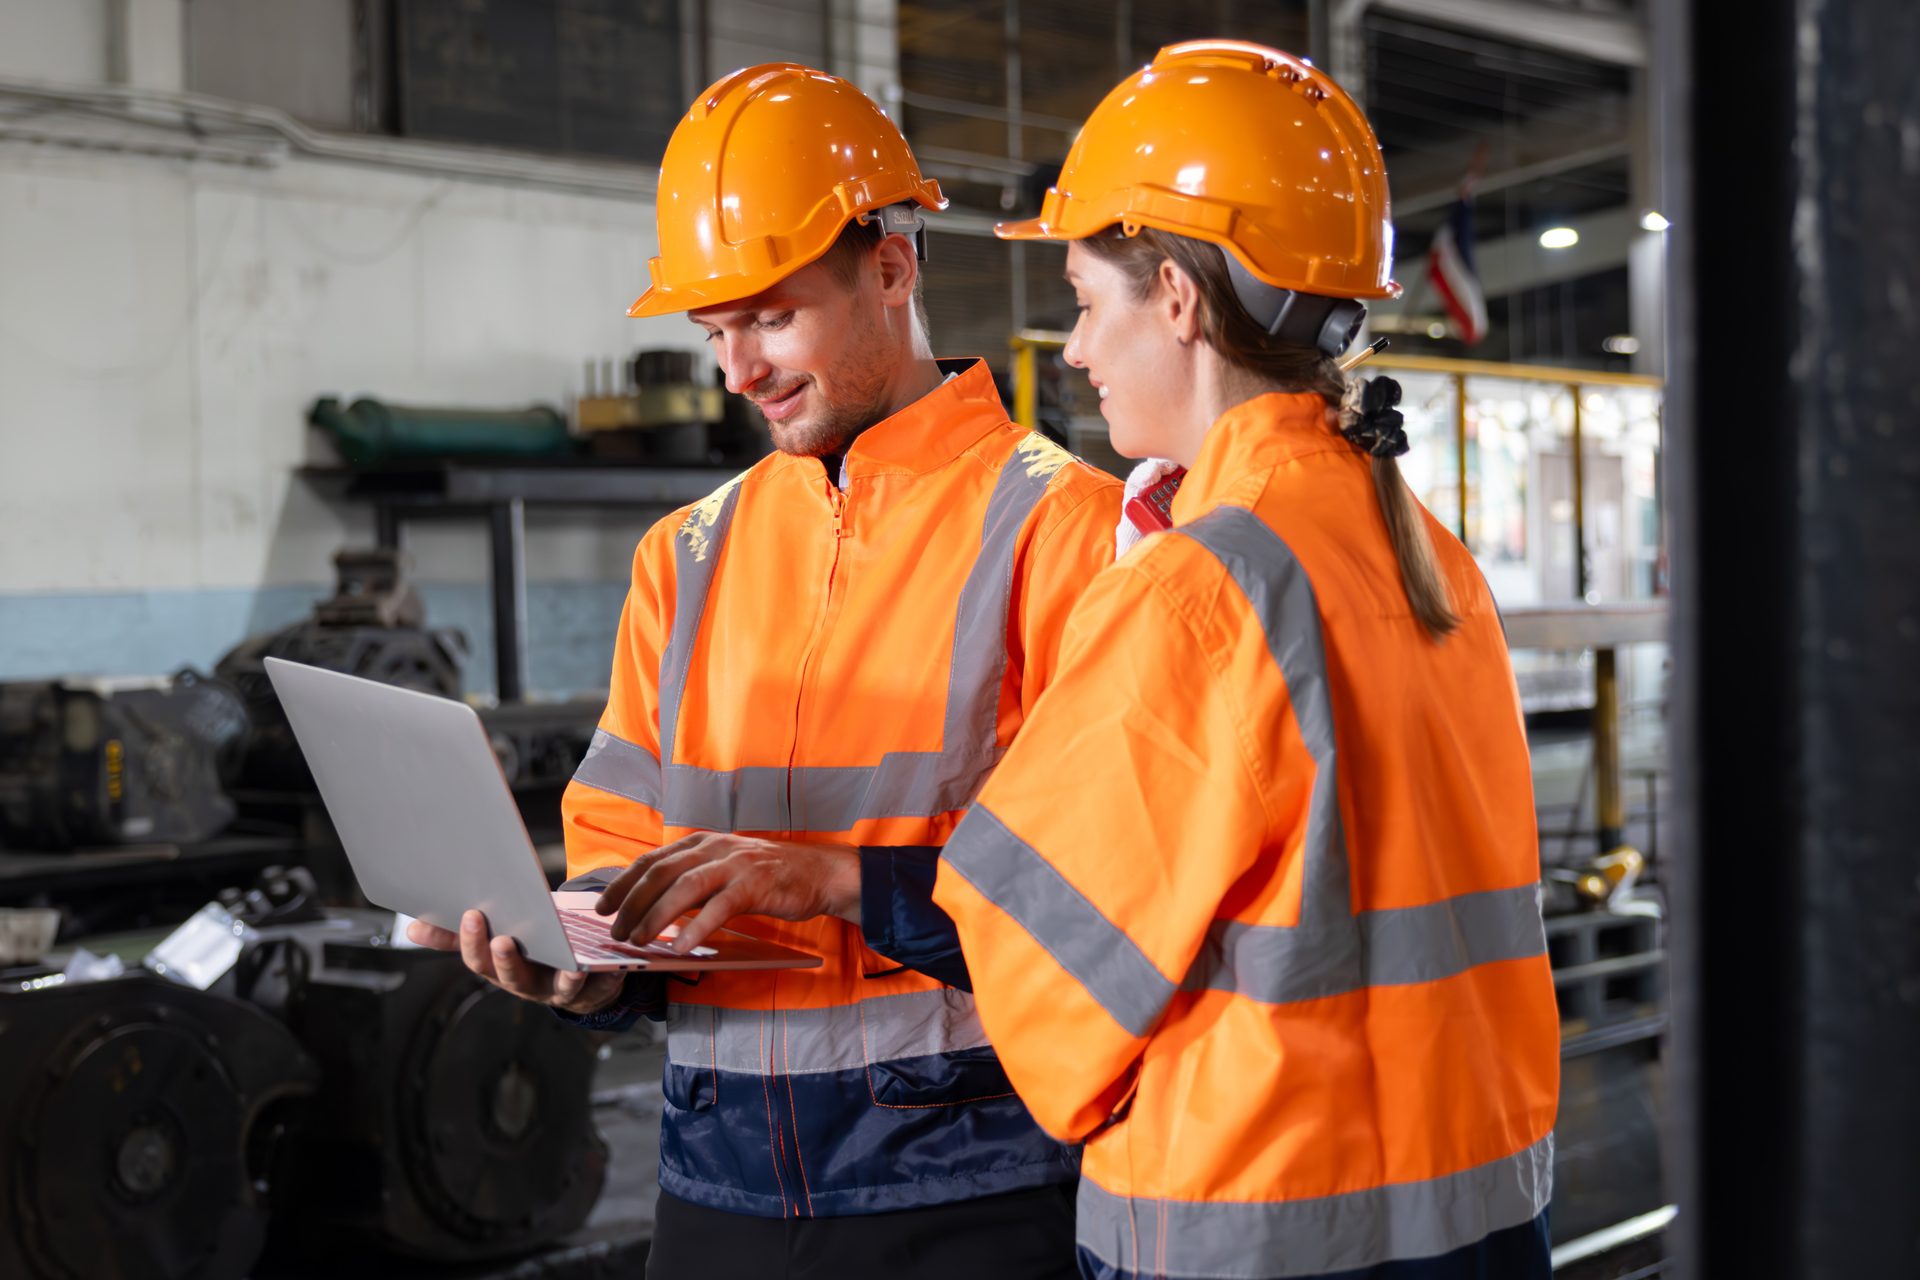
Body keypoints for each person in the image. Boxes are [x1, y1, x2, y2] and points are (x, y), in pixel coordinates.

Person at [407, 61, 1121, 1279]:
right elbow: (622, 857)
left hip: (974, 1185)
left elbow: (1106, 905)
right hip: (717, 1190)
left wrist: (838, 879)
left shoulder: (1066, 533)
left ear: (893, 266)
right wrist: (579, 964)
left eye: (772, 317)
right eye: (715, 329)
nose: (738, 370)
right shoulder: (683, 557)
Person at [925, 40, 1561, 1280]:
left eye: (1085, 302)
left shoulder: (1201, 588)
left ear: (1174, 296)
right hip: (1481, 1220)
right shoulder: (1429, 555)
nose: (1075, 349)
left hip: (1260, 1226)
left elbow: (1041, 982)